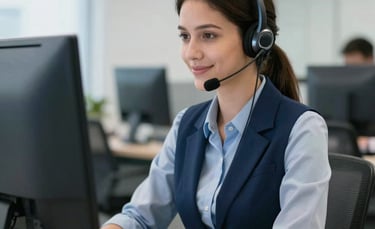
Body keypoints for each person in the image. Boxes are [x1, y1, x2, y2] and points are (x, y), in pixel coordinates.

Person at [102, 0, 331, 228]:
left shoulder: (302, 128)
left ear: (255, 40)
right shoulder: (187, 124)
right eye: (185, 36)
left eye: (208, 35)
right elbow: (140, 216)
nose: (191, 52)